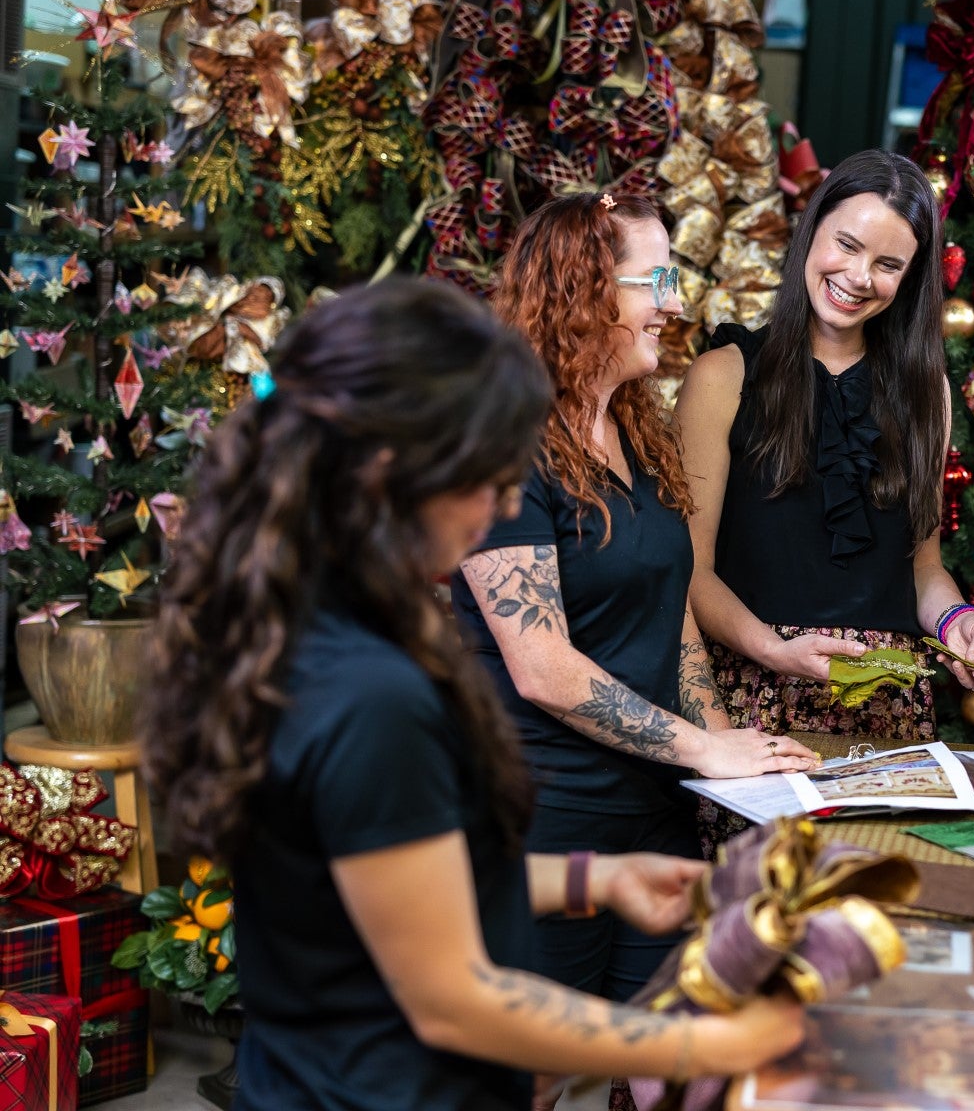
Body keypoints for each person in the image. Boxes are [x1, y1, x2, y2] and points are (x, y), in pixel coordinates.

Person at [141, 280, 803, 1110]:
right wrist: (699, 1041)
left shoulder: (308, 627)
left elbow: (380, 884)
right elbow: (454, 1000)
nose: (501, 505)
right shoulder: (372, 693)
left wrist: (590, 882)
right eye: (486, 473)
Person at [450, 194, 817, 1032]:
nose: (677, 302)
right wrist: (704, 751)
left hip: (652, 812)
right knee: (533, 1076)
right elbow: (540, 666)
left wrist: (738, 758)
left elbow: (672, 612)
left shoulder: (631, 429)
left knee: (658, 1048)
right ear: (582, 291)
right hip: (548, 823)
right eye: (654, 280)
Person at [677, 150, 974, 754]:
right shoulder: (723, 375)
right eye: (846, 245)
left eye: (887, 264)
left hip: (890, 708)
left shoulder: (925, 390)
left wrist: (959, 621)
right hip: (756, 700)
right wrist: (774, 650)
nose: (859, 277)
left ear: (909, 278)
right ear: (812, 229)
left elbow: (923, 568)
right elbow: (689, 572)